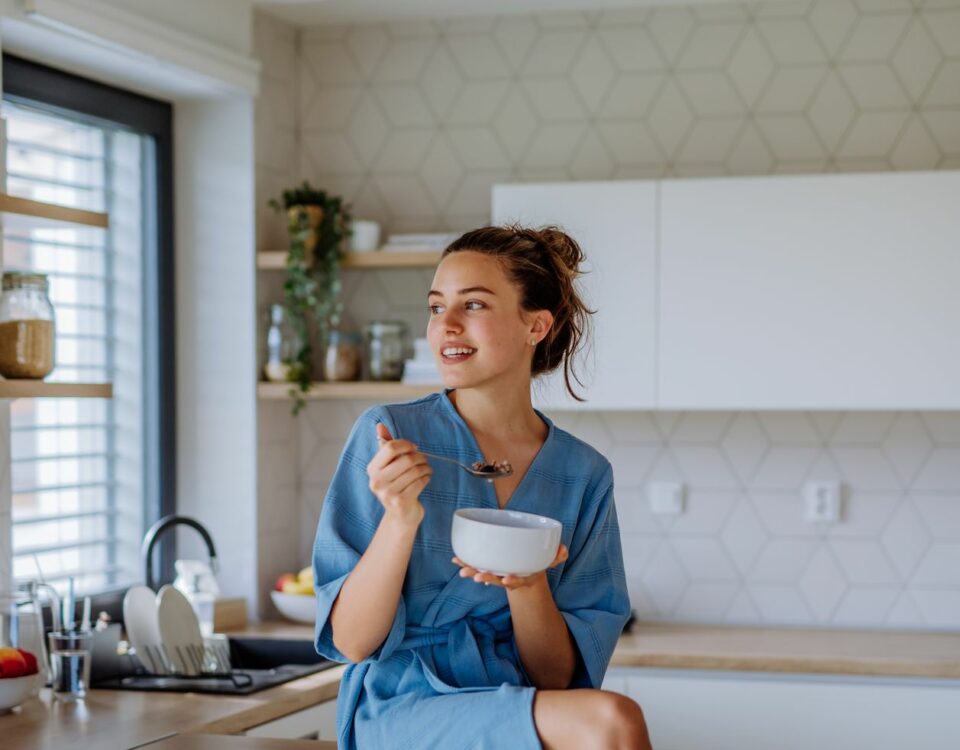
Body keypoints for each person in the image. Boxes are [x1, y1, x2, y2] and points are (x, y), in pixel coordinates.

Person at [312, 226, 652, 749]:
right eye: (435, 307)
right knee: (612, 722)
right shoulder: (390, 435)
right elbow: (352, 641)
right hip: (403, 701)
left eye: (472, 305)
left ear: (536, 326)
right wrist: (400, 520)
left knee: (610, 718)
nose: (445, 325)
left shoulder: (584, 474)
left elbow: (555, 679)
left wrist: (527, 585)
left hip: (511, 695)